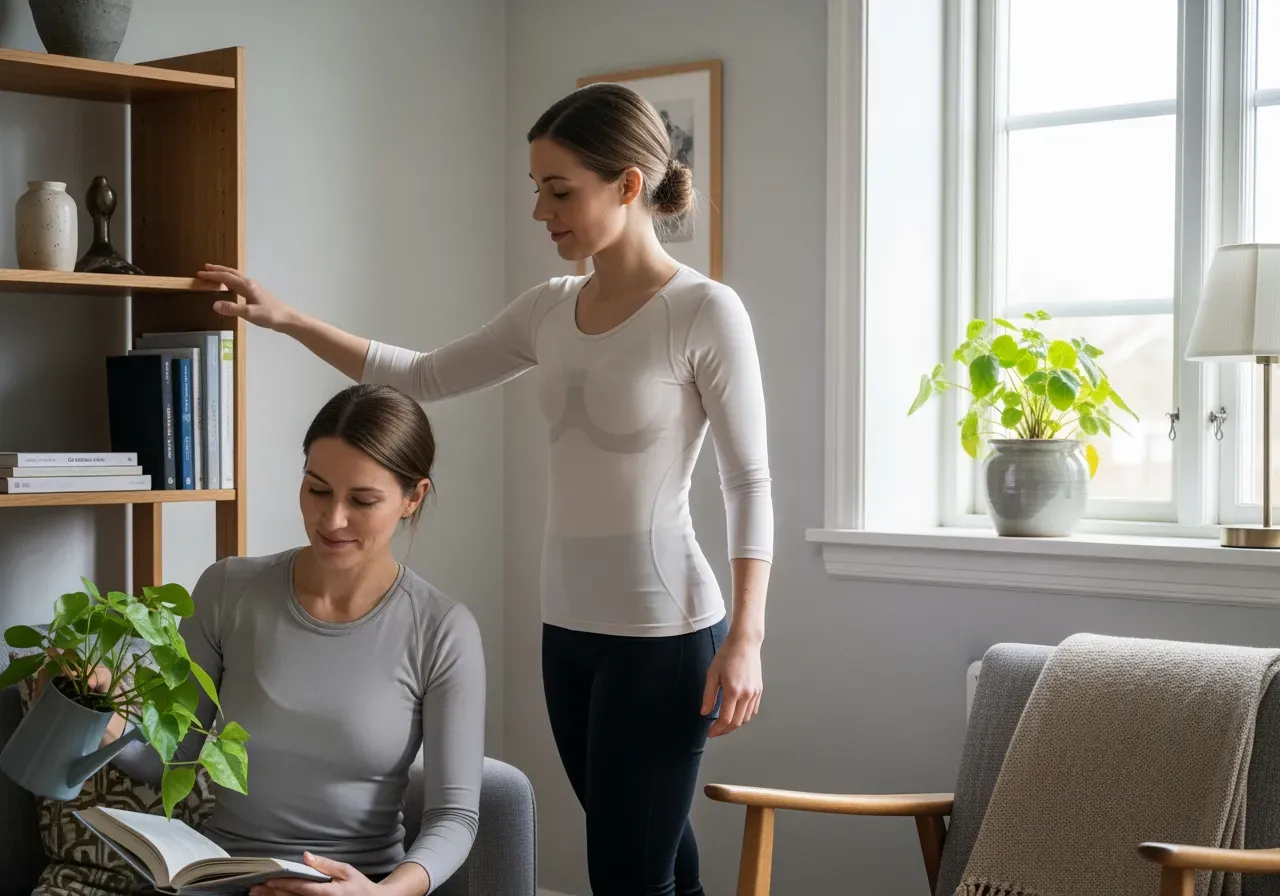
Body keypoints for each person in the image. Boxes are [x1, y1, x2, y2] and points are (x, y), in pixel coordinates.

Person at [198, 80, 773, 896]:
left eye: (560, 190)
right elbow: (423, 375)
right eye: (537, 190)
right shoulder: (550, 308)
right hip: (567, 629)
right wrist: (287, 319)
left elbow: (749, 480)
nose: (542, 211)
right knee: (656, 854)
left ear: (628, 185)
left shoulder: (704, 312)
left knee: (625, 870)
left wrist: (745, 637)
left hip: (665, 629)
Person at [97, 383, 486, 896]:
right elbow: (171, 757)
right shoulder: (227, 590)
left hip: (358, 886)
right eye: (317, 489)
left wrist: (383, 893)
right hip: (223, 879)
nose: (332, 519)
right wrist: (96, 714)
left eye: (363, 500)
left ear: (413, 498)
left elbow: (454, 816)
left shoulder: (442, 629)